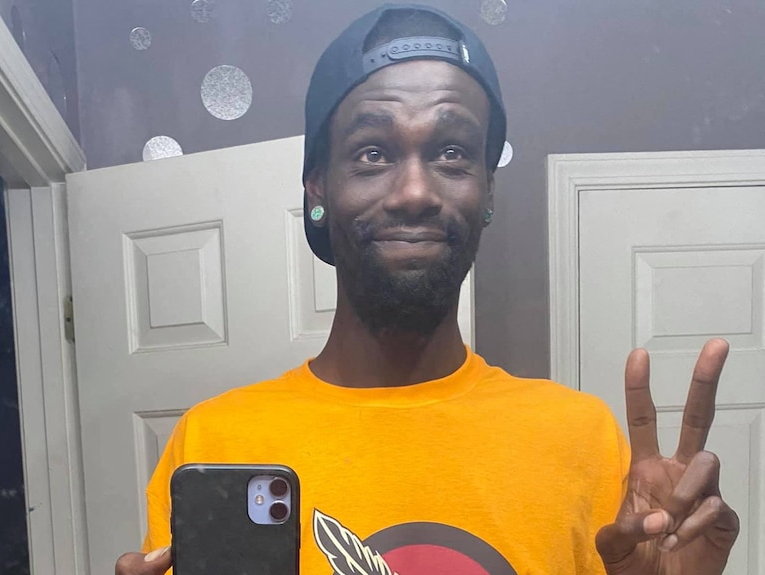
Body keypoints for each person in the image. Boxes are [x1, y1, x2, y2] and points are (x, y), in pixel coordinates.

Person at [116, 4, 739, 574]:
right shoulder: (216, 443)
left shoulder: (582, 438)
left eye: (450, 152)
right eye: (371, 153)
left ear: (487, 192)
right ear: (317, 189)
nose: (414, 191)